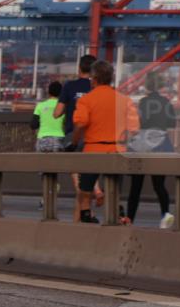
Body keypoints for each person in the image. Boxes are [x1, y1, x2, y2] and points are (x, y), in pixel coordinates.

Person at [71, 60, 139, 224]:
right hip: (117, 150)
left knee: (85, 189)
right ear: (111, 78)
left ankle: (86, 216)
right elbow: (134, 129)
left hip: (92, 150)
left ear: (93, 79)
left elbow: (80, 124)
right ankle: (118, 215)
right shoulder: (125, 100)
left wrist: (74, 142)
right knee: (114, 189)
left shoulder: (86, 100)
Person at [125, 73, 176, 228]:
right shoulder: (166, 102)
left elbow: (140, 123)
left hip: (144, 144)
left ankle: (130, 219)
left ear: (147, 85)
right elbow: (172, 124)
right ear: (160, 85)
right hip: (162, 144)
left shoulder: (143, 102)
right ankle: (165, 216)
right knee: (159, 185)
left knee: (136, 186)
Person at [55, 54, 99, 220]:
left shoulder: (69, 86)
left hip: (72, 136)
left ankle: (85, 217)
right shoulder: (97, 88)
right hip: (92, 138)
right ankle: (85, 216)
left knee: (79, 185)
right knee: (87, 180)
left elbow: (57, 113)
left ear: (79, 68)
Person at [32, 81, 66, 152]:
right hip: (58, 138)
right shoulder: (63, 106)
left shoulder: (40, 105)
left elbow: (33, 125)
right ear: (61, 93)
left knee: (41, 162)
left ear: (49, 92)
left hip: (42, 138)